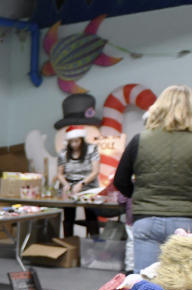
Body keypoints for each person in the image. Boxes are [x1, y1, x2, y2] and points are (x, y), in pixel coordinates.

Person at [113, 84, 192, 272]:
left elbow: (119, 181)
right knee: (183, 289)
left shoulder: (140, 140)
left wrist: (139, 194)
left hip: (146, 220)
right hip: (186, 222)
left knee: (147, 287)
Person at [56, 126, 100, 237]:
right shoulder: (63, 153)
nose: (74, 144)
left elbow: (95, 171)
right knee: (68, 217)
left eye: (76, 141)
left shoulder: (92, 149)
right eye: (71, 142)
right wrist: (66, 184)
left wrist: (82, 184)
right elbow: (60, 174)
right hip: (70, 188)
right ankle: (69, 244)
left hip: (89, 187)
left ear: (81, 139)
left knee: (91, 216)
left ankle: (94, 244)